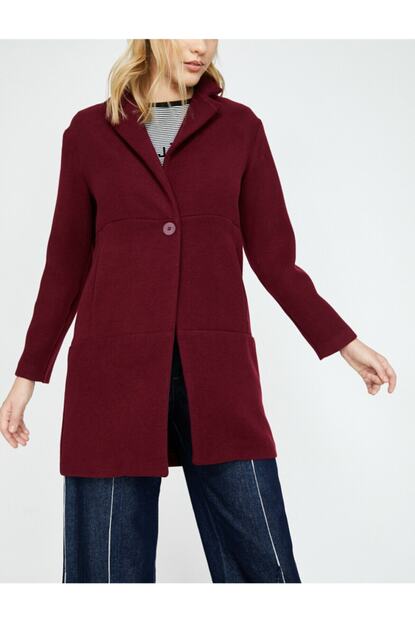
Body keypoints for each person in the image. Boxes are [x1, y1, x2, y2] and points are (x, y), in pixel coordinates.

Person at [0, 39, 397, 583]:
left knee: (265, 574)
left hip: (217, 376)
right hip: (112, 381)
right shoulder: (89, 132)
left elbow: (275, 259)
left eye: (210, 29)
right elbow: (66, 263)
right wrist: (27, 377)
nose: (201, 45)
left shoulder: (240, 128)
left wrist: (344, 343)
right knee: (104, 582)